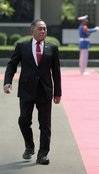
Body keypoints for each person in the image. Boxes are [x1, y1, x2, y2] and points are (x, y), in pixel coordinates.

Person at [3, 19, 62, 165]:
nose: (43, 31)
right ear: (32, 31)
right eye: (40, 29)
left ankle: (43, 154)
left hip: (45, 91)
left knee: (45, 124)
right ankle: (29, 146)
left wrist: (58, 92)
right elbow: (12, 65)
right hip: (26, 90)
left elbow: (56, 72)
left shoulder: (52, 47)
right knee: (23, 121)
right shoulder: (22, 46)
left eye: (45, 29)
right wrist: (7, 82)